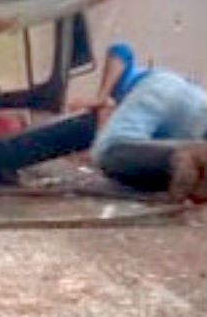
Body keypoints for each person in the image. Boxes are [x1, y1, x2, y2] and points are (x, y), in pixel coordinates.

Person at [83, 41, 207, 200]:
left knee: (107, 151)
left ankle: (190, 156)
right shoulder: (146, 129)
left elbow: (120, 49)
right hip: (196, 100)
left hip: (157, 88)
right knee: (163, 167)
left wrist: (102, 96)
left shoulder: (126, 89)